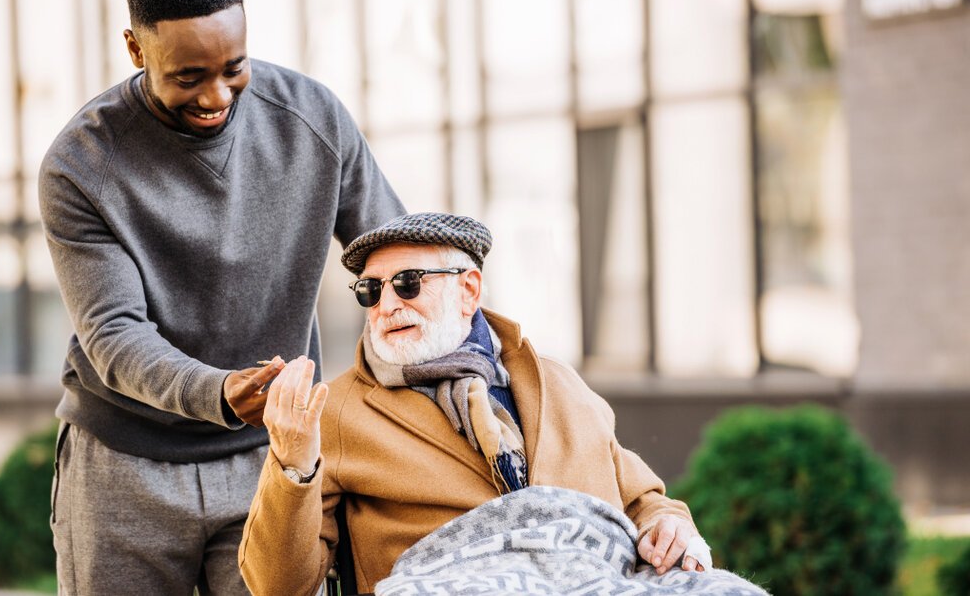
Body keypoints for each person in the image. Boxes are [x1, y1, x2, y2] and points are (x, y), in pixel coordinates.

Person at [39, 0, 404, 595]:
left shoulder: (312, 120)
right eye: (187, 77)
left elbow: (395, 253)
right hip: (124, 470)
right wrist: (220, 391)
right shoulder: (81, 165)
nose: (215, 95)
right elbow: (114, 334)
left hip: (271, 458)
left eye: (233, 68)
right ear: (135, 49)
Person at [238, 213, 762, 596]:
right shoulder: (339, 410)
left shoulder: (556, 382)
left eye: (407, 284)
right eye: (370, 291)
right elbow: (276, 586)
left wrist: (670, 525)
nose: (387, 304)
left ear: (469, 290)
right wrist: (291, 462)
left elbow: (643, 498)